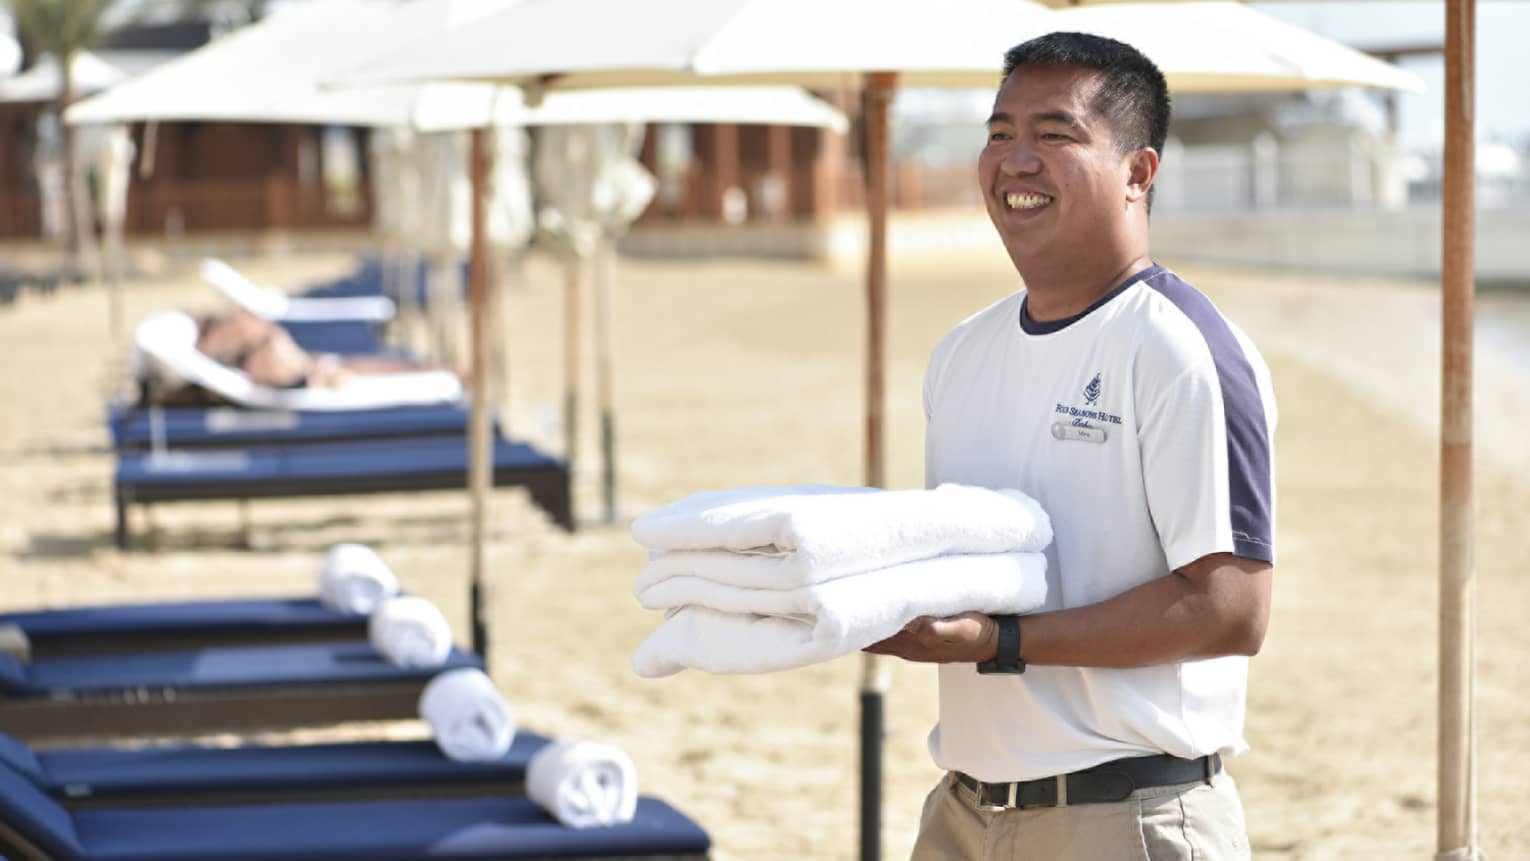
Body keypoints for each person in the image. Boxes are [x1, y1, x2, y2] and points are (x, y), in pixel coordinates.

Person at [866, 32, 1276, 860]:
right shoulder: (961, 354)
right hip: (961, 810)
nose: (1016, 160)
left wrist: (999, 640)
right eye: (998, 133)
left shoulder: (1180, 348)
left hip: (1128, 815)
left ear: (1139, 172)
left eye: (1055, 136)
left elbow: (1232, 608)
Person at [140, 309, 450, 405]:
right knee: (353, 370)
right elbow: (286, 375)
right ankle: (449, 374)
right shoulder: (240, 354)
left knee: (352, 368)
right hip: (315, 378)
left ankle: (445, 372)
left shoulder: (223, 354)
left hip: (314, 372)